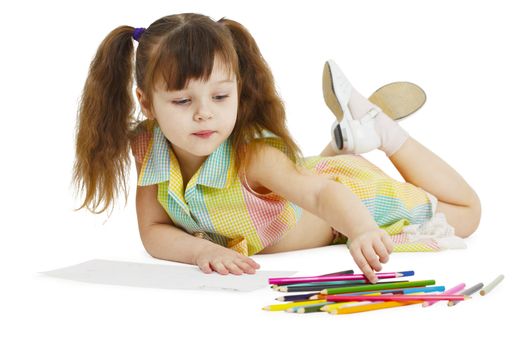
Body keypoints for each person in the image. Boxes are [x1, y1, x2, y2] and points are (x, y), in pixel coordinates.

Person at [73, 13, 481, 282]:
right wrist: (199, 252)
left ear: (237, 89)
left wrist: (361, 228)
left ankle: (385, 133)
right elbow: (153, 230)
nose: (204, 115)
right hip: (303, 184)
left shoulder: (253, 153)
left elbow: (323, 193)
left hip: (347, 202)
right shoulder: (148, 146)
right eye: (182, 101)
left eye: (220, 97)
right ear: (146, 103)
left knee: (467, 214)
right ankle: (349, 139)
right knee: (302, 176)